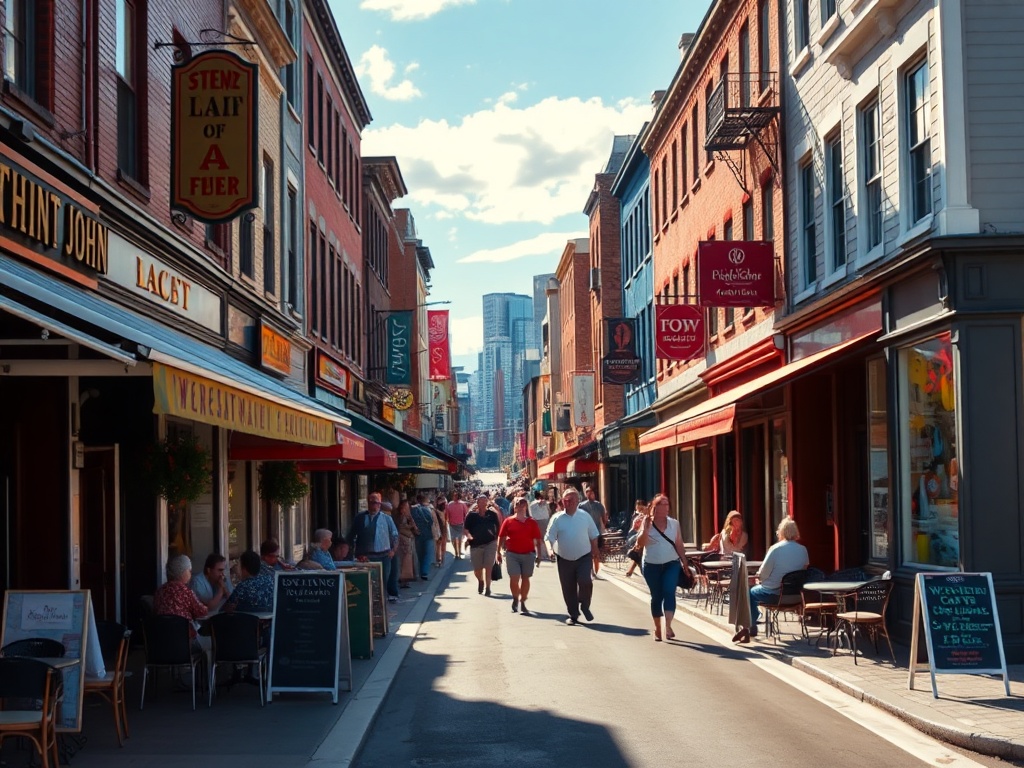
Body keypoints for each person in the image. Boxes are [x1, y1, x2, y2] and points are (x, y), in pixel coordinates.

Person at [734, 518, 809, 643]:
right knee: (756, 589)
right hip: (796, 596)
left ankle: (750, 626)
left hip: (775, 595)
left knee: (750, 593)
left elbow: (764, 573)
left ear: (782, 532)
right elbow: (803, 571)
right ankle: (749, 626)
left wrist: (759, 578)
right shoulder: (803, 550)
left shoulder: (775, 549)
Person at [633, 494, 687, 641]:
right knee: (656, 596)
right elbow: (640, 543)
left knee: (669, 592)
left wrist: (685, 563)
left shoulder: (674, 523)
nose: (666, 507)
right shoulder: (646, 521)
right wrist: (645, 528)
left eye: (667, 504)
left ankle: (668, 626)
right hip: (651, 565)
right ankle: (657, 627)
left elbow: (679, 543)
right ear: (655, 507)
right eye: (662, 504)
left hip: (671, 563)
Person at [545, 487, 600, 625]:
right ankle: (573, 615)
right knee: (568, 587)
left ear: (577, 501)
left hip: (584, 556)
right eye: (565, 500)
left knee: (585, 581)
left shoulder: (585, 516)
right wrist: (550, 550)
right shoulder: (557, 518)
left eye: (570, 500)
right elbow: (548, 537)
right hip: (564, 558)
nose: (567, 503)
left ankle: (585, 605)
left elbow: (593, 535)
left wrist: (595, 551)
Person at [348, 492, 400, 603]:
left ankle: (381, 604)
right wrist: (353, 552)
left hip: (384, 556)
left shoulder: (386, 519)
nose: (372, 505)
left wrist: (393, 550)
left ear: (379, 504)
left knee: (382, 580)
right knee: (368, 582)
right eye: (370, 502)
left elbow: (395, 535)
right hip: (365, 556)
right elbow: (352, 535)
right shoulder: (360, 517)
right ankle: (369, 603)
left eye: (375, 502)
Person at [497, 497, 543, 615]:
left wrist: (539, 555)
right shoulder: (508, 521)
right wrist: (498, 552)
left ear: (526, 507)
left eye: (523, 504)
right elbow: (501, 537)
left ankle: (523, 601)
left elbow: (537, 539)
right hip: (512, 554)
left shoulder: (532, 522)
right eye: (518, 504)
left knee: (526, 578)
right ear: (515, 507)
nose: (521, 506)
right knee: (514, 578)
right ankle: (515, 598)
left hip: (528, 554)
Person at [154, 554, 208, 644]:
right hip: (184, 642)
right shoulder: (186, 591)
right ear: (183, 572)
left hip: (162, 642)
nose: (190, 573)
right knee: (209, 643)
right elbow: (202, 612)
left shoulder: (159, 592)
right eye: (189, 570)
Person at [464, 493, 501, 596]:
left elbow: (498, 527)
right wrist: (469, 536)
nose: (483, 502)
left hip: (490, 543)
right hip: (475, 545)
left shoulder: (492, 514)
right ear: (477, 503)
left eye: (485, 500)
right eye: (480, 500)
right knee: (477, 569)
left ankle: (488, 588)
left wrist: (498, 541)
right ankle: (480, 581)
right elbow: (466, 529)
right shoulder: (471, 516)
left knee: (488, 566)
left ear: (487, 502)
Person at [410, 492, 436, 580]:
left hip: (417, 534)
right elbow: (431, 521)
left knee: (420, 554)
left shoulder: (412, 510)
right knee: (427, 554)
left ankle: (421, 571)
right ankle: (424, 572)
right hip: (428, 534)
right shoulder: (427, 509)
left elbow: (410, 521)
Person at [394, 499, 419, 588]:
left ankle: (406, 579)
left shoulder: (407, 515)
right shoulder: (400, 516)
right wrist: (410, 526)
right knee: (403, 560)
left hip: (408, 540)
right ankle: (402, 579)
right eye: (406, 506)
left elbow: (414, 527)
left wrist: (412, 525)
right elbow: (401, 526)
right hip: (402, 540)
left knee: (408, 560)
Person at [624, 500, 648, 578]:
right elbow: (634, 527)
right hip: (634, 537)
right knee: (637, 553)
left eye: (640, 505)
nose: (638, 507)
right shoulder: (637, 516)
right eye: (637, 505)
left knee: (637, 554)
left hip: (638, 537)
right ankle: (632, 570)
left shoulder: (645, 517)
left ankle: (631, 570)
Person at [446, 490, 469, 559]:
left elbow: (466, 514)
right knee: (453, 540)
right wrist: (448, 521)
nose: (454, 497)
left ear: (458, 496)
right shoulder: (450, 504)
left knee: (459, 539)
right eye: (454, 495)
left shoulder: (462, 504)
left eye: (456, 495)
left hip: (460, 524)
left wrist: (465, 523)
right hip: (452, 525)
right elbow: (447, 514)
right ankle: (456, 553)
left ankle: (458, 553)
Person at [528, 489, 551, 559]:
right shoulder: (545, 503)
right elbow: (549, 511)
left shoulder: (531, 504)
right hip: (545, 520)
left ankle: (540, 553)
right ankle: (546, 553)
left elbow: (530, 514)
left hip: (535, 521)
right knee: (545, 538)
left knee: (537, 538)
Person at [433, 495, 449, 566]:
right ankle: (440, 560)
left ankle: (439, 560)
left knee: (439, 546)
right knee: (441, 546)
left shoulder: (435, 511)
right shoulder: (439, 512)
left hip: (440, 530)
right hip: (441, 530)